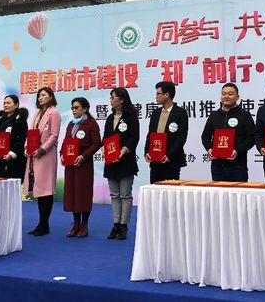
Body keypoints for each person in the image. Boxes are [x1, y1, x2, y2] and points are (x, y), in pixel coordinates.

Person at [60, 97, 102, 238]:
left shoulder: (91, 124)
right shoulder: (71, 124)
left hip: (83, 164)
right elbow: (65, 141)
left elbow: (97, 143)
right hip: (70, 164)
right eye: (72, 108)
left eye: (76, 107)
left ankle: (84, 224)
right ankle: (76, 223)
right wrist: (62, 154)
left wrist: (83, 156)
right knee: (72, 193)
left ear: (85, 109)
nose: (74, 110)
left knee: (83, 193)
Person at [103, 87, 140, 240]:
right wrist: (105, 149)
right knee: (114, 195)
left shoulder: (131, 117)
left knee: (125, 195)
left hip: (125, 161)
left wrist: (123, 151)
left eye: (113, 97)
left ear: (122, 99)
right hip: (111, 162)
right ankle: (116, 224)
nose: (111, 100)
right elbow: (106, 138)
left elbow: (134, 138)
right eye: (110, 97)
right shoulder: (109, 118)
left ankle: (124, 226)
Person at [201, 83, 255, 182]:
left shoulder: (244, 115)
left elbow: (251, 138)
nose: (226, 96)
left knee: (238, 192)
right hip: (217, 166)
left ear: (237, 97)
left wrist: (238, 150)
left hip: (238, 166)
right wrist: (209, 148)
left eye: (230, 94)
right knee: (219, 192)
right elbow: (205, 136)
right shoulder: (214, 115)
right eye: (223, 94)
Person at [27, 86, 61, 236]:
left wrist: (42, 149)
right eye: (39, 96)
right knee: (39, 190)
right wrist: (27, 147)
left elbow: (54, 135)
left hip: (46, 155)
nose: (40, 98)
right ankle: (41, 224)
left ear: (51, 97)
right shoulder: (37, 113)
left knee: (46, 190)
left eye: (43, 95)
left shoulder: (54, 113)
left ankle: (44, 224)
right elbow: (31, 133)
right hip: (34, 155)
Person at [144, 81, 189, 184]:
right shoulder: (155, 113)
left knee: (170, 191)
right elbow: (150, 134)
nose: (156, 96)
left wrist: (169, 155)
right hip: (155, 160)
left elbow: (181, 138)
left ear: (167, 94)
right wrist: (147, 151)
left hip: (171, 161)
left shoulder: (180, 113)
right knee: (155, 190)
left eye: (158, 93)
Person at [0, 94, 29, 179]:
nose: (5, 105)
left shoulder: (21, 121)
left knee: (12, 185)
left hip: (15, 163)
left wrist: (11, 154)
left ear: (16, 105)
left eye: (8, 103)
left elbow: (22, 140)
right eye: (4, 103)